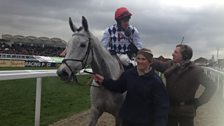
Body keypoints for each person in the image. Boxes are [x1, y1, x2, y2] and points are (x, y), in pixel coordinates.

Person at [94, 48, 169, 126]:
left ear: (150, 62)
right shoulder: (129, 74)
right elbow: (118, 86)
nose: (140, 61)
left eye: (143, 59)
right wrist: (103, 81)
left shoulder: (155, 81)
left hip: (145, 122)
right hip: (128, 120)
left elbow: (161, 105)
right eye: (138, 58)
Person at [152, 44, 217, 126]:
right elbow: (157, 64)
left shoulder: (196, 71)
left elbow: (212, 86)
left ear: (184, 55)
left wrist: (199, 102)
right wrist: (143, 53)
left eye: (175, 52)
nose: (172, 54)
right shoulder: (169, 65)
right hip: (170, 110)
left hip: (187, 112)